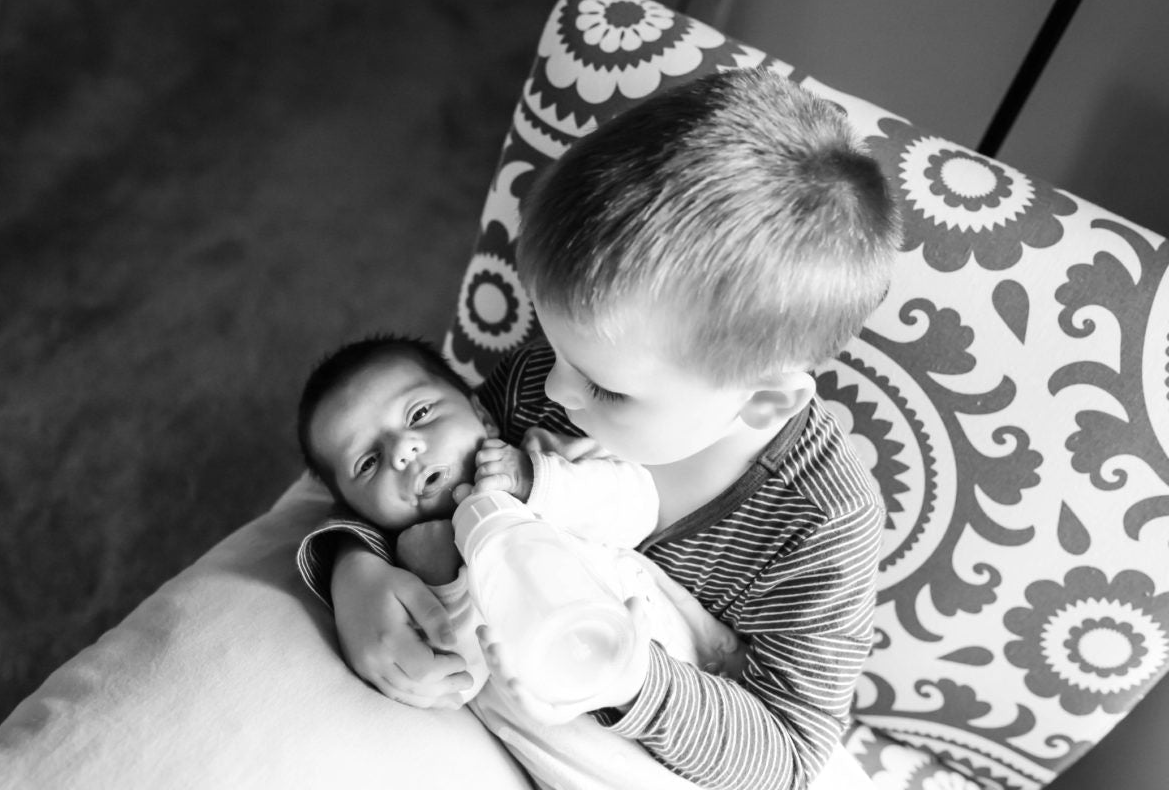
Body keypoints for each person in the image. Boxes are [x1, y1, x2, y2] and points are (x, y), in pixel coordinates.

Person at [308, 66, 898, 790]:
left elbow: (788, 759)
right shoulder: (557, 374)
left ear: (763, 403)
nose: (551, 388)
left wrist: (631, 678)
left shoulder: (819, 525)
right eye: (553, 350)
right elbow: (427, 477)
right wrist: (351, 566)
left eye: (606, 388)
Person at [295, 334, 748, 789]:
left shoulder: (545, 456)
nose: (402, 449)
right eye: (368, 463)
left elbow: (638, 510)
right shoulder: (410, 568)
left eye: (419, 414)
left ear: (483, 416)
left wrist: (535, 482)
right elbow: (460, 681)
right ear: (356, 510)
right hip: (594, 763)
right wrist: (445, 580)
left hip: (688, 677)